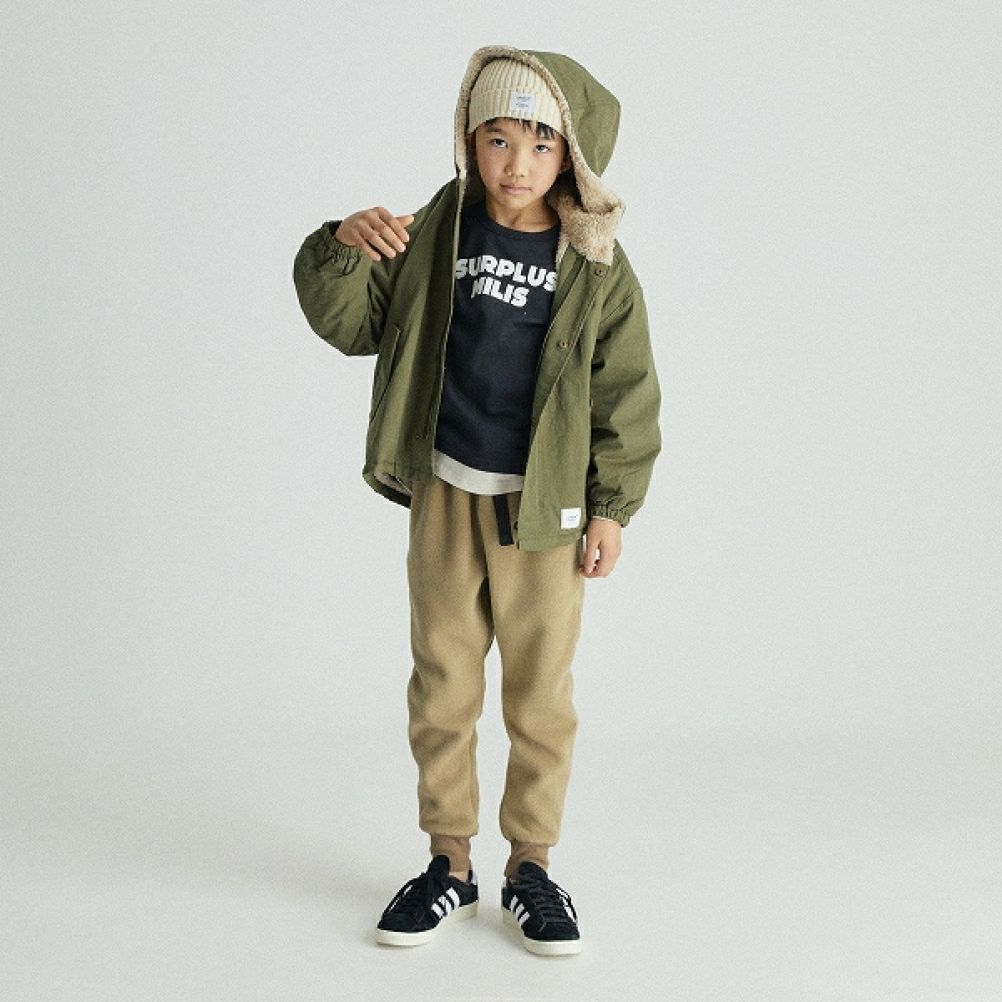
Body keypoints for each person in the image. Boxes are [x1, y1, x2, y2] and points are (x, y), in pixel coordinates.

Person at [293, 44, 661, 956]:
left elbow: (625, 390)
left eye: (540, 143)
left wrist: (611, 506)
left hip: (545, 513)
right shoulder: (436, 231)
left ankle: (530, 865)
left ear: (570, 154)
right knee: (443, 682)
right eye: (497, 139)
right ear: (469, 140)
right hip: (447, 491)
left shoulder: (594, 261)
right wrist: (342, 246)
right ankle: (448, 862)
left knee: (539, 695)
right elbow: (351, 325)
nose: (516, 163)